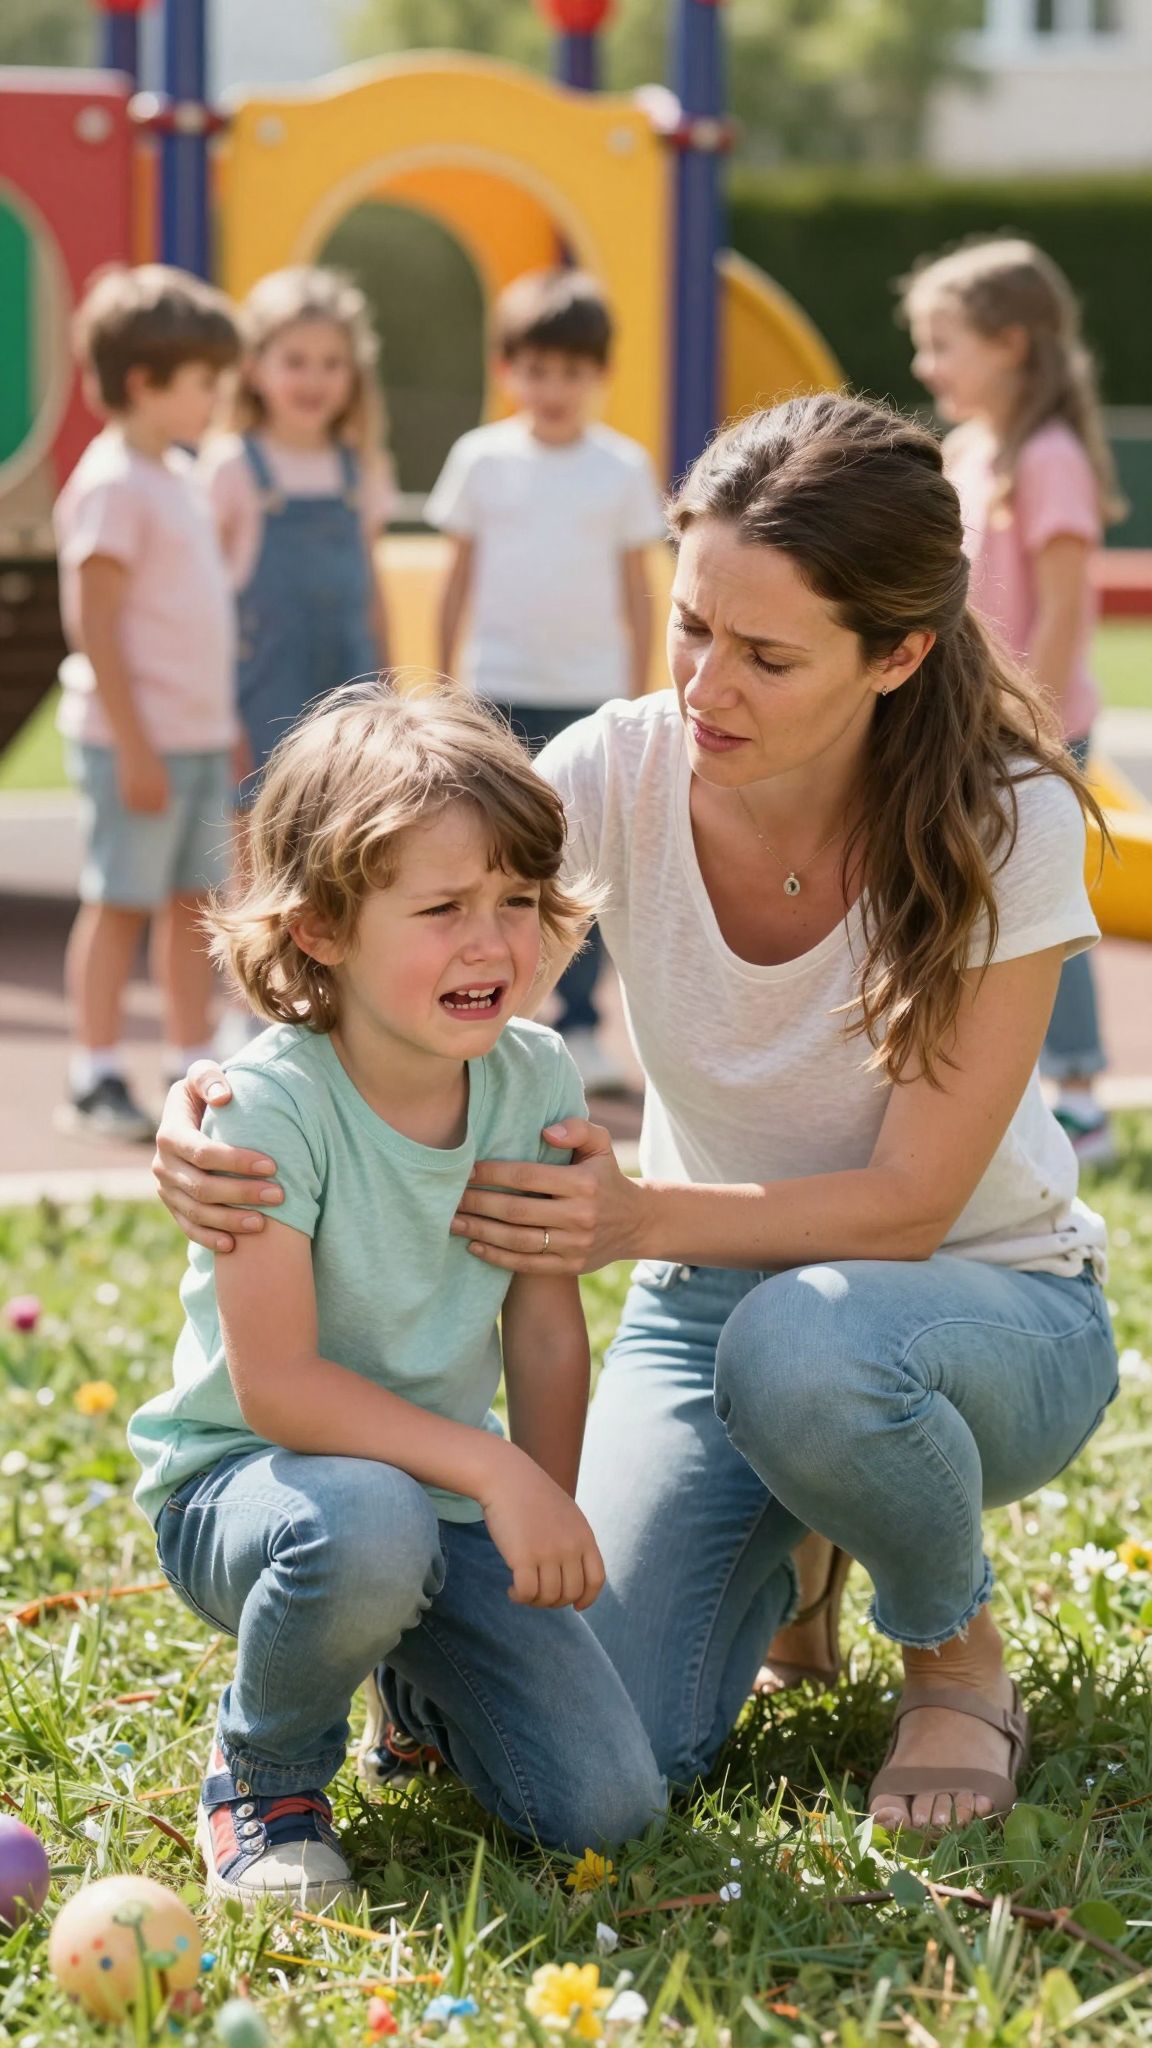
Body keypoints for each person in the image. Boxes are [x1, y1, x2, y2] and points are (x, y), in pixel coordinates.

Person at [154, 395, 1120, 1837]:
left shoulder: (1007, 815)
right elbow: (402, 936)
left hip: (981, 1307)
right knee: (619, 1757)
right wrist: (216, 1097)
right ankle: (800, 1549)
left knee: (808, 1347)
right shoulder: (620, 764)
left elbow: (915, 1200)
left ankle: (953, 1657)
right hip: (707, 1308)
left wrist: (639, 1219)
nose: (707, 687)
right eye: (691, 628)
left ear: (899, 654)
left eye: (767, 655)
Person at [130, 682, 665, 1907]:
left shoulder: (534, 1076)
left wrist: (547, 1506)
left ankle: (410, 1681)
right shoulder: (270, 1108)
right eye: (442, 908)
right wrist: (496, 1473)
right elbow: (279, 1388)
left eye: (517, 902)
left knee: (604, 1805)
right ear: (321, 925)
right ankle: (262, 1772)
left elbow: (541, 1326)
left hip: (441, 1499)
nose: (493, 942)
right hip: (253, 1491)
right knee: (371, 1525)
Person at [904, 237, 1125, 1165]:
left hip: (1034, 723)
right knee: (970, 890)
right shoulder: (968, 449)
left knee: (1037, 897)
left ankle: (1080, 1093)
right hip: (972, 718)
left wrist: (1036, 720)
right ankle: (1001, 1077)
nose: (927, 364)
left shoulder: (1049, 457)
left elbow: (1070, 600)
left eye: (945, 342)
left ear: (1013, 344)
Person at [427, 267, 667, 1094]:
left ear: (600, 376)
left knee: (582, 860)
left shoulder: (622, 468)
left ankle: (583, 1024)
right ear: (507, 371)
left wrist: (634, 695)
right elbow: (454, 577)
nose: (552, 387)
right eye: (536, 369)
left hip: (590, 695)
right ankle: (499, 1011)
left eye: (571, 371)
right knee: (495, 858)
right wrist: (443, 681)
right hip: (498, 690)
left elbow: (642, 593)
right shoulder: (482, 460)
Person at [54, 264, 241, 1141]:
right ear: (145, 382)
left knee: (194, 904)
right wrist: (132, 744)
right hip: (138, 739)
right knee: (120, 900)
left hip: (195, 735)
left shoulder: (181, 473)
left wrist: (223, 722)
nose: (215, 400)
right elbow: (93, 622)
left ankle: (185, 1055)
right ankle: (93, 1070)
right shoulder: (112, 483)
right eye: (203, 384)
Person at [200, 267, 392, 791]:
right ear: (255, 368)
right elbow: (207, 600)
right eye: (295, 362)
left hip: (352, 701)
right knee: (259, 847)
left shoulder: (362, 469)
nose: (314, 380)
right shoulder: (232, 466)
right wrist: (217, 713)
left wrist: (390, 692)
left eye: (332, 363)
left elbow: (372, 593)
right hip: (259, 699)